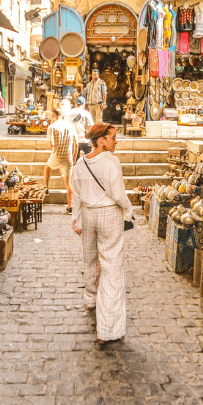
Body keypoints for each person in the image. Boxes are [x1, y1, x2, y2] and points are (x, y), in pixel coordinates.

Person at [71, 122, 132, 345]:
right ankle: (107, 329)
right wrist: (128, 209)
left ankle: (91, 300)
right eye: (113, 137)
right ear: (101, 141)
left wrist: (75, 218)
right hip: (109, 215)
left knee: (90, 261)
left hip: (88, 216)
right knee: (112, 267)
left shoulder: (79, 163)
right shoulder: (111, 161)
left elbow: (76, 194)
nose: (116, 141)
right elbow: (118, 194)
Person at [45, 106, 78, 213]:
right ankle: (70, 206)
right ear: (62, 115)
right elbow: (76, 144)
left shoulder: (51, 127)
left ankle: (46, 188)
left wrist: (54, 151)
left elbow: (51, 144)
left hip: (57, 155)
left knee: (47, 168)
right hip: (68, 157)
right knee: (68, 183)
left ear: (53, 115)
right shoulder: (70, 125)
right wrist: (74, 157)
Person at [69, 96, 94, 162]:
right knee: (89, 160)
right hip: (84, 140)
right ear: (84, 104)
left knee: (74, 160)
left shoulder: (69, 112)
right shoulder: (86, 113)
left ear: (75, 104)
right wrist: (91, 139)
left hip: (72, 140)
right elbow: (91, 127)